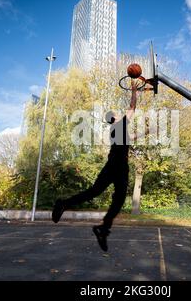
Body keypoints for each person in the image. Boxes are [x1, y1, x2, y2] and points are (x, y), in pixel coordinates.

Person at [52, 82, 140, 251]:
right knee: (119, 199)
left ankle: (65, 204)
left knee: (95, 192)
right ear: (114, 118)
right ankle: (103, 228)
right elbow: (132, 107)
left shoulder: (118, 129)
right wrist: (134, 91)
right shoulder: (119, 125)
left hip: (113, 165)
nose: (121, 114)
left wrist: (147, 132)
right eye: (117, 114)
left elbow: (132, 138)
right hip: (118, 166)